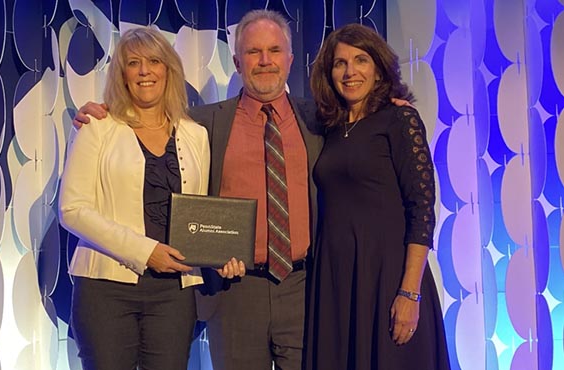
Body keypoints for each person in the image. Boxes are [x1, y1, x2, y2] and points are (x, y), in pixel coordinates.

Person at [73, 10, 322, 370]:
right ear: (237, 61)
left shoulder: (319, 120)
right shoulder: (202, 123)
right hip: (235, 292)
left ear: (291, 58)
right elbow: (148, 124)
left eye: (274, 50)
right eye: (253, 52)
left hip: (304, 287)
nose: (265, 61)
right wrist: (93, 113)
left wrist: (396, 104)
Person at [59, 27, 244, 370]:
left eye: (154, 61)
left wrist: (217, 254)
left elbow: (197, 214)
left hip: (174, 292)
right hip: (105, 288)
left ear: (168, 69)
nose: (145, 71)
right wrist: (146, 252)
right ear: (123, 75)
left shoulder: (195, 135)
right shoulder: (96, 127)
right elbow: (72, 210)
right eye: (133, 63)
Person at [305, 23, 451, 370]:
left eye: (361, 60)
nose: (350, 71)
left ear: (379, 67)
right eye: (340, 63)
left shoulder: (400, 119)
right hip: (337, 281)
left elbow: (422, 211)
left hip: (389, 278)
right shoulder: (330, 128)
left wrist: (409, 292)